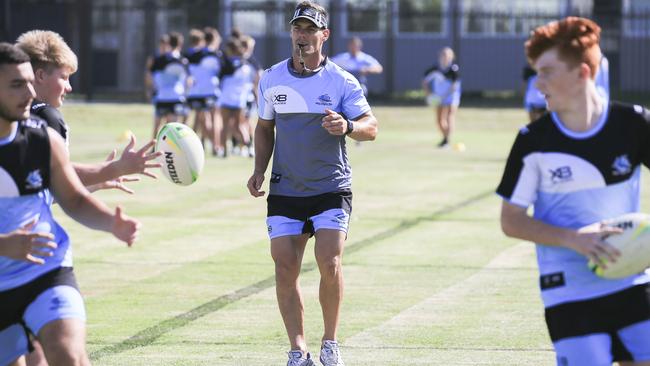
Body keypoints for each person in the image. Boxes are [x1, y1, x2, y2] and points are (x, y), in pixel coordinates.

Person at [497, 17, 650, 365]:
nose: (538, 83)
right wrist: (574, 238)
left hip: (633, 281)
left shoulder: (635, 124)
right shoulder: (532, 142)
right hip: (568, 292)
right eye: (537, 71)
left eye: (547, 71)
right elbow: (511, 221)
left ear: (582, 73)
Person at [246, 2, 378, 365]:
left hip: (331, 189)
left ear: (324, 35)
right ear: (291, 32)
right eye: (297, 29)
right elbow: (264, 127)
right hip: (286, 189)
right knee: (285, 267)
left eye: (309, 29)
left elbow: (372, 127)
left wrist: (348, 126)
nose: (302, 35)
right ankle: (297, 349)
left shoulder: (341, 80)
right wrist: (260, 169)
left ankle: (330, 343)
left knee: (330, 262)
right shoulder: (272, 78)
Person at [0, 42, 140, 366]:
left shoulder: (41, 138)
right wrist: (6, 245)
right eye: (16, 85)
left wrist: (111, 223)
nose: (28, 92)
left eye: (29, 82)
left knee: (68, 355)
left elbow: (74, 199)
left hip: (47, 269)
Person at [16, 30, 162, 194]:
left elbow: (39, 189)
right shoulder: (47, 116)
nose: (69, 87)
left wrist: (96, 182)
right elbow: (55, 176)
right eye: (64, 77)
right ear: (41, 75)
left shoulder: (11, 114)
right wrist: (117, 168)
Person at [218, 37, 258, 158]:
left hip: (226, 98)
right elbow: (253, 80)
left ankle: (225, 151)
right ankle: (249, 146)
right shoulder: (247, 64)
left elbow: (220, 80)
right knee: (240, 125)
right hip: (239, 99)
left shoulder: (226, 64)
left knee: (224, 125)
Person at [184, 28, 221, 155]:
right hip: (210, 91)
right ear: (215, 40)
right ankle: (216, 147)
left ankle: (198, 144)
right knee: (212, 119)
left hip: (194, 92)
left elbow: (187, 71)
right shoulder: (217, 55)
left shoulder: (192, 55)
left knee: (199, 119)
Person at [150, 31, 189, 139]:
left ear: (168, 43)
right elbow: (188, 80)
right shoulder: (183, 61)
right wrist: (186, 93)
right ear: (180, 44)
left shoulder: (158, 60)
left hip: (161, 96)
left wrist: (152, 90)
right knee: (172, 127)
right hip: (176, 97)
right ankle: (172, 149)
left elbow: (151, 76)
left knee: (157, 125)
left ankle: (153, 148)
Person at [422, 47, 461, 148]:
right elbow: (425, 81)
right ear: (440, 56)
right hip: (438, 97)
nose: (445, 57)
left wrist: (445, 96)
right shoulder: (434, 69)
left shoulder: (454, 69)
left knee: (449, 116)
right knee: (439, 120)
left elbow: (454, 86)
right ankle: (445, 138)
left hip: (451, 96)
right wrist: (429, 94)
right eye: (443, 55)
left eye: (448, 56)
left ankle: (447, 140)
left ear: (451, 57)